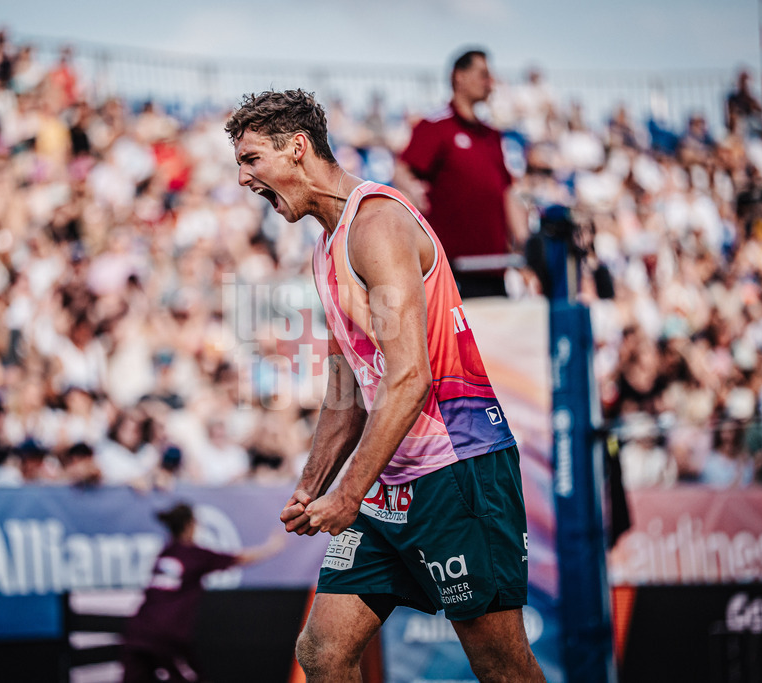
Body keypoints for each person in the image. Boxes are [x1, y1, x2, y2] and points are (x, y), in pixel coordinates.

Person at [225, 89, 544, 682]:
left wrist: (346, 493)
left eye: (250, 160)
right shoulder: (327, 243)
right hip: (390, 482)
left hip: (456, 470)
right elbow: (347, 382)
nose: (243, 179)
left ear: (297, 149)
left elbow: (409, 378)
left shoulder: (377, 225)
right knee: (322, 651)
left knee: (502, 667)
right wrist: (312, 482)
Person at [394, 49, 528, 298]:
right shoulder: (435, 126)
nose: (490, 82)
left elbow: (506, 191)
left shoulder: (492, 136)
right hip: (450, 274)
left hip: (493, 271)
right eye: (483, 74)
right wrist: (413, 195)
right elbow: (403, 172)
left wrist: (525, 243)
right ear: (459, 77)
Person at [121, 502, 284, 683]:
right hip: (167, 635)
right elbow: (240, 558)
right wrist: (271, 547)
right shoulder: (195, 555)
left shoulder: (165, 552)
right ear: (189, 525)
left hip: (137, 631)